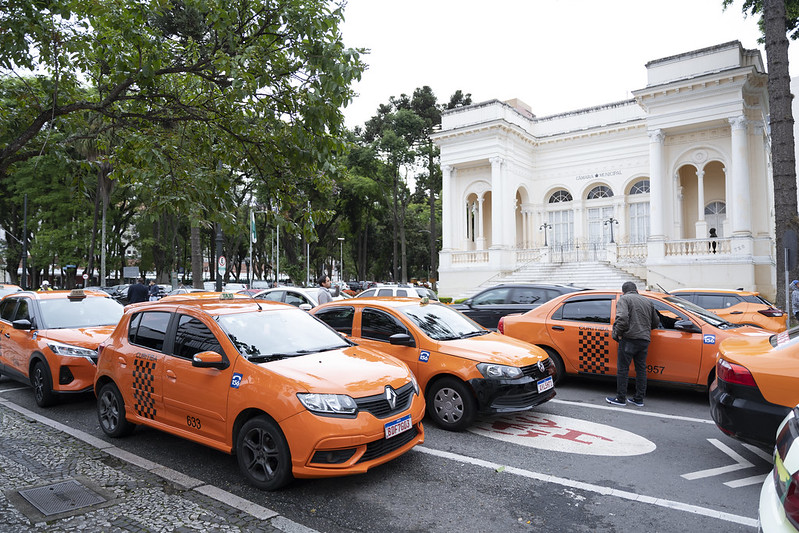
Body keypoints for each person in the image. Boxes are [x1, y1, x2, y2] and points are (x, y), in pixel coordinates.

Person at [606, 281, 661, 407]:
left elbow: (622, 318)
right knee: (641, 369)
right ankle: (638, 399)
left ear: (623, 292)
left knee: (623, 369)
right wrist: (644, 330)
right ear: (636, 290)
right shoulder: (647, 301)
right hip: (644, 340)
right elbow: (655, 322)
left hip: (629, 339)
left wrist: (617, 334)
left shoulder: (624, 299)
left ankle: (620, 398)